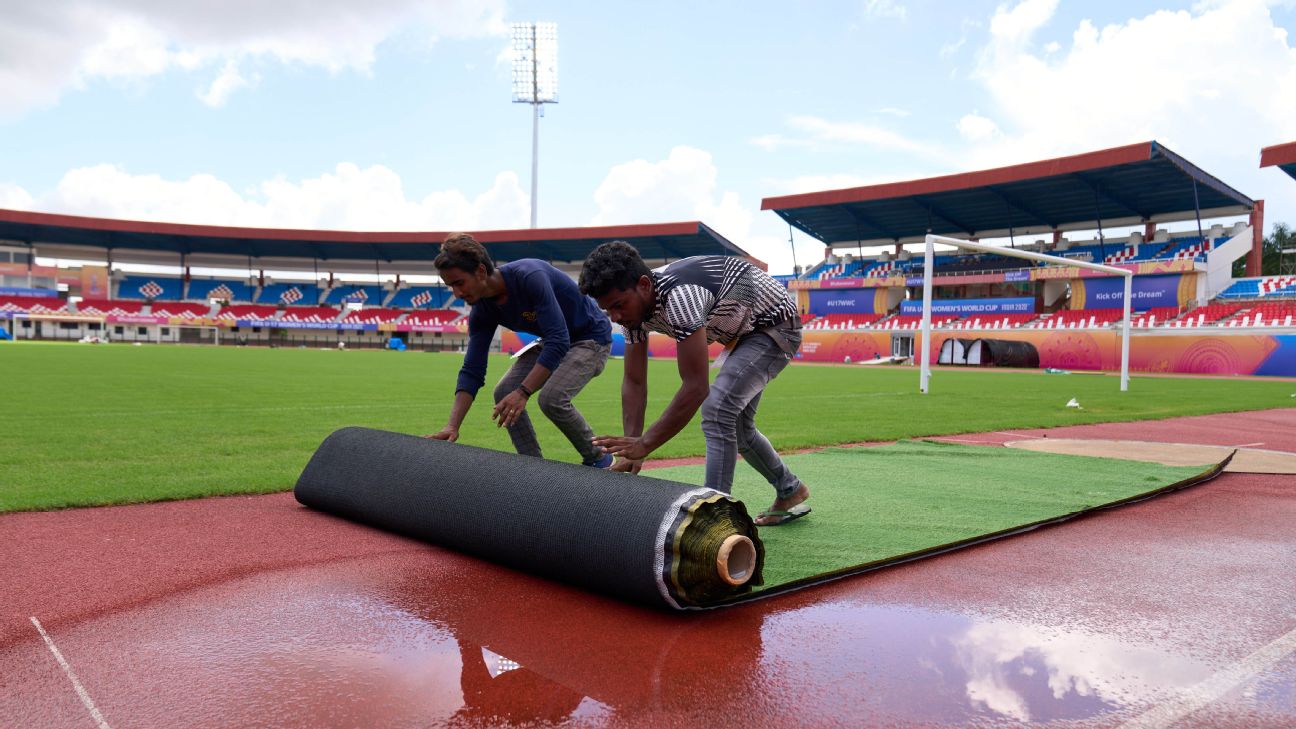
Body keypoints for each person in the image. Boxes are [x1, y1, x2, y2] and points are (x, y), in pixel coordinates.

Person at [578, 241, 810, 526]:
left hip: (774, 326)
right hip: (742, 331)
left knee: (717, 411)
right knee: (738, 427)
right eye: (607, 310)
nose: (615, 317)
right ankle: (790, 489)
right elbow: (635, 380)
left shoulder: (680, 297)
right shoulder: (632, 312)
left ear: (643, 285)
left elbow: (696, 386)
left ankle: (715, 520)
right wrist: (631, 447)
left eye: (618, 306)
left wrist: (646, 443)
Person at [427, 233, 614, 467]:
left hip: (590, 338)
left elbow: (559, 340)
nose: (456, 293)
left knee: (551, 398)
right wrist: (452, 426)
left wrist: (523, 392)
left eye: (459, 283)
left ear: (481, 272)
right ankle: (532, 466)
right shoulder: (482, 311)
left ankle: (601, 459)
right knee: (504, 391)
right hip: (554, 339)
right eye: (450, 286)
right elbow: (472, 369)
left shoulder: (529, 276)